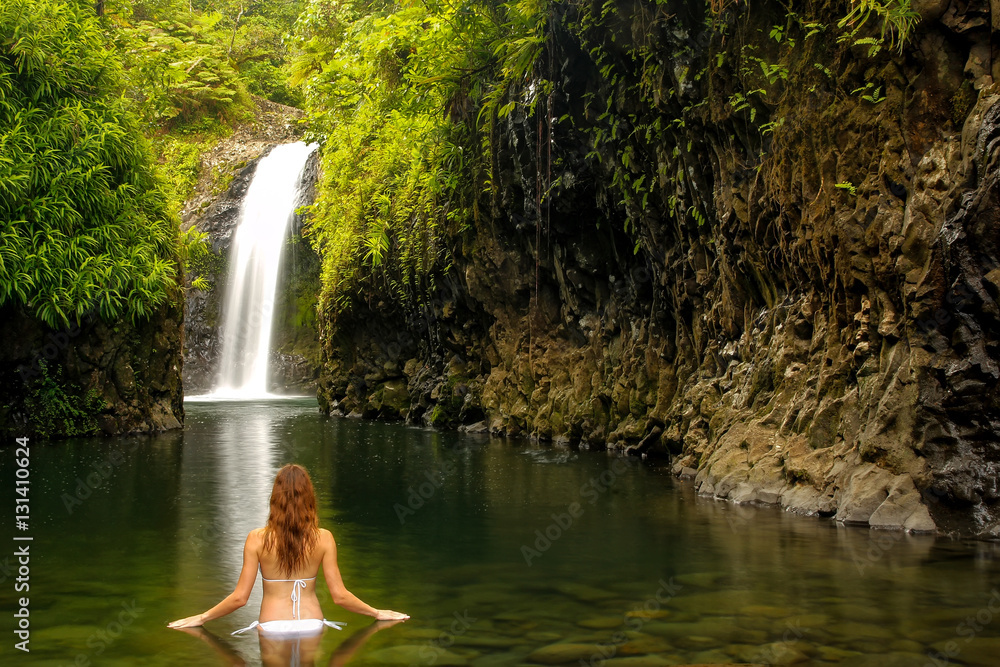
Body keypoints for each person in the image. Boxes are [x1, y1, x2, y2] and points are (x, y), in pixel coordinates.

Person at [168, 463, 409, 637]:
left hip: (272, 626)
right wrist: (377, 613)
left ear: (275, 498)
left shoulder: (256, 539)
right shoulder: (323, 538)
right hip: (311, 624)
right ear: (310, 497)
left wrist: (201, 618)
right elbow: (340, 596)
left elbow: (240, 598)